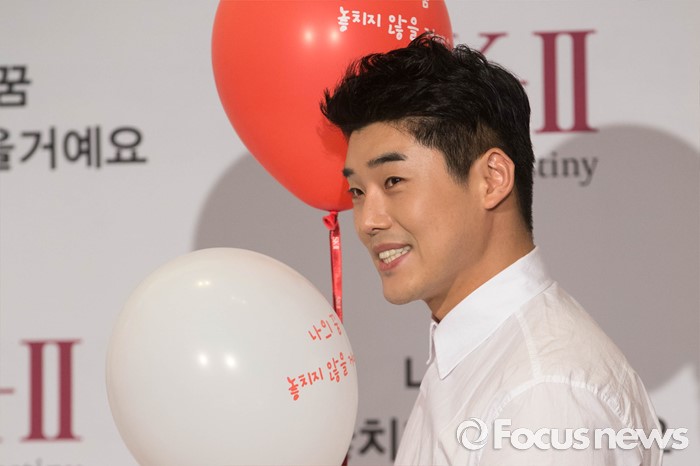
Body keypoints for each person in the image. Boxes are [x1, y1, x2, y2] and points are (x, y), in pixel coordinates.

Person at [321, 34, 662, 465]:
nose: (367, 221)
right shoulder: (487, 358)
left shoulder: (541, 394)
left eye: (393, 182)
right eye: (356, 191)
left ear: (492, 179)